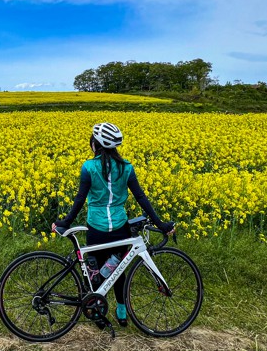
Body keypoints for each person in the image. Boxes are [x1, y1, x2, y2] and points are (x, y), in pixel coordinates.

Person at [52, 122, 175, 327]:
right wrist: (160, 224)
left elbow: (80, 200)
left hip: (96, 229)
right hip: (120, 229)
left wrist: (65, 222)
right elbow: (141, 198)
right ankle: (121, 310)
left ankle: (97, 310)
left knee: (96, 271)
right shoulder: (127, 168)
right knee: (117, 270)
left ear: (96, 143)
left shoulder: (89, 167)